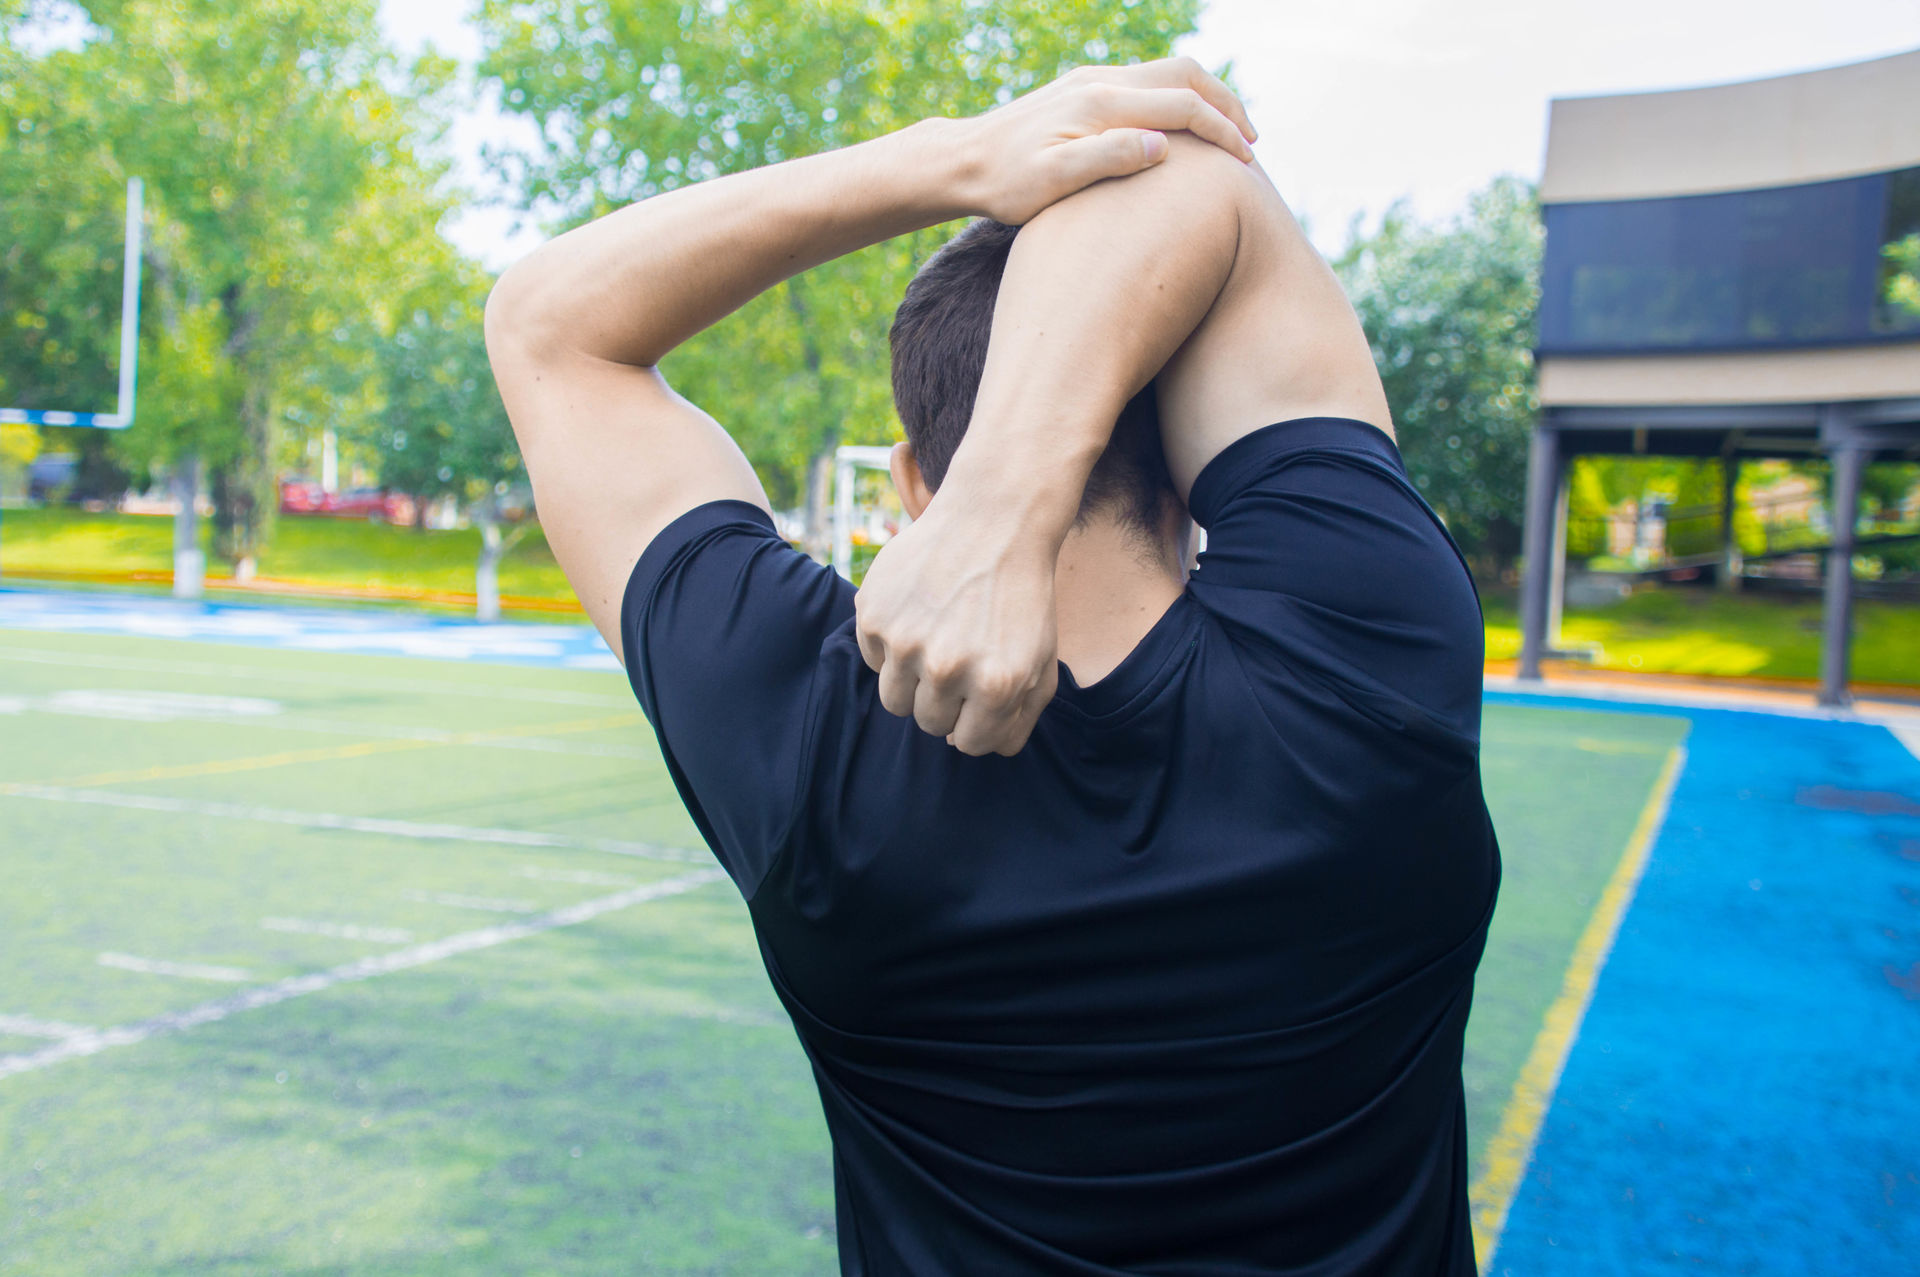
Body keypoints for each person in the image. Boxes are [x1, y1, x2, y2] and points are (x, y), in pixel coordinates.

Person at [486, 57, 1500, 1276]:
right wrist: (1021, 491)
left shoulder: (810, 733)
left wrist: (954, 160)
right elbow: (1186, 175)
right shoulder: (1370, 648)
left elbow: (548, 328)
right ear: (1190, 455)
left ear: (911, 475)